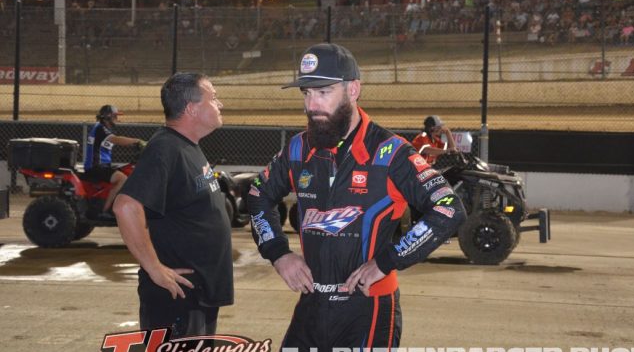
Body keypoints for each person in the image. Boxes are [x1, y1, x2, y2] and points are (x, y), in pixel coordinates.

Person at [248, 43, 467, 350]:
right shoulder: (298, 148)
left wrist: (389, 259)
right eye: (306, 93)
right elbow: (258, 194)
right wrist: (278, 253)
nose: (312, 105)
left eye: (322, 92)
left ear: (353, 90)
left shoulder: (390, 152)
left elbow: (449, 207)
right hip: (311, 308)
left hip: (369, 310)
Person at [112, 73, 233, 337]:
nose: (219, 104)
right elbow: (126, 206)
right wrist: (154, 268)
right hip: (176, 300)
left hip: (194, 297)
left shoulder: (187, 147)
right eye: (213, 98)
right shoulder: (165, 148)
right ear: (191, 108)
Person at [84, 104, 145, 216]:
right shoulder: (100, 129)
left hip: (103, 166)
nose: (117, 119)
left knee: (126, 170)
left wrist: (135, 146)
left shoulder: (103, 129)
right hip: (96, 166)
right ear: (108, 117)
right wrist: (137, 141)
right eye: (115, 116)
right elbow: (117, 140)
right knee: (122, 179)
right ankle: (105, 210)